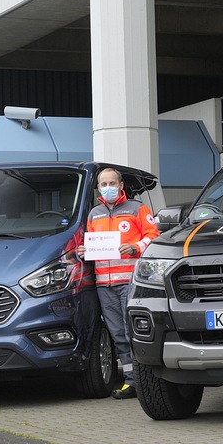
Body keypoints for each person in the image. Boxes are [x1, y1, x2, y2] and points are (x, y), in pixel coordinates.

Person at [76, 168, 159, 400]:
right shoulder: (94, 214)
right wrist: (85, 250)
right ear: (99, 188)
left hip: (131, 282)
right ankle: (131, 381)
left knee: (133, 332)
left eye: (112, 182)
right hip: (105, 284)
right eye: (104, 184)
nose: (108, 187)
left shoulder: (137, 209)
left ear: (121, 185)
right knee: (118, 334)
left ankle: (145, 380)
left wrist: (136, 247)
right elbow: (91, 244)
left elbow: (154, 236)